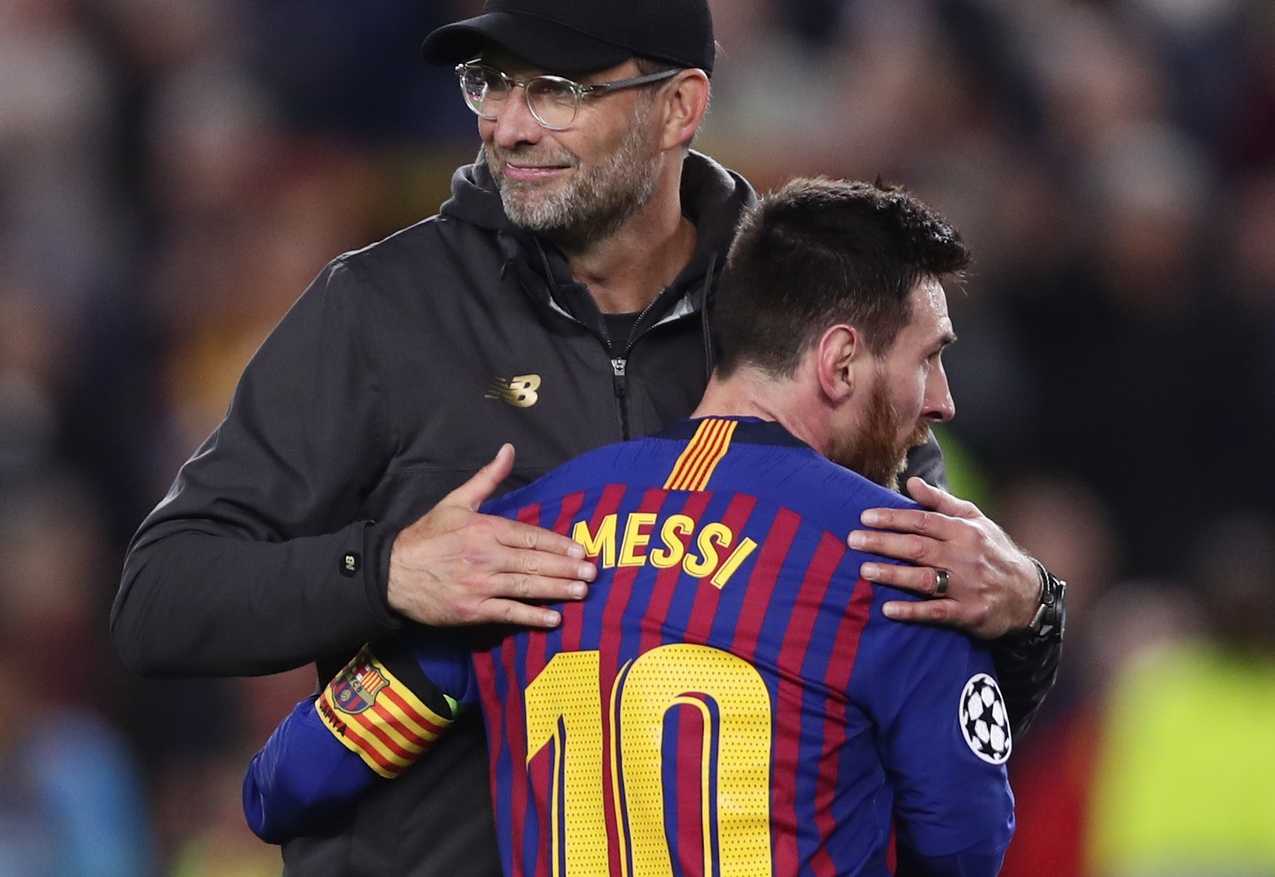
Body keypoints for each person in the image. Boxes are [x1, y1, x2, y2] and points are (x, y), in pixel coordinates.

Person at [111, 2, 1064, 874]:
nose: (509, 124)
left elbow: (915, 663)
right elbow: (160, 598)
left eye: (558, 90)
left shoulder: (794, 315)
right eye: (492, 83)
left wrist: (1025, 611)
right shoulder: (382, 311)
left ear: (680, 105)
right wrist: (389, 571)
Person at [243, 177, 1015, 875]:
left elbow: (288, 783)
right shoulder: (897, 559)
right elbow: (964, 844)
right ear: (840, 361)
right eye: (929, 357)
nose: (942, 399)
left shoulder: (516, 541)